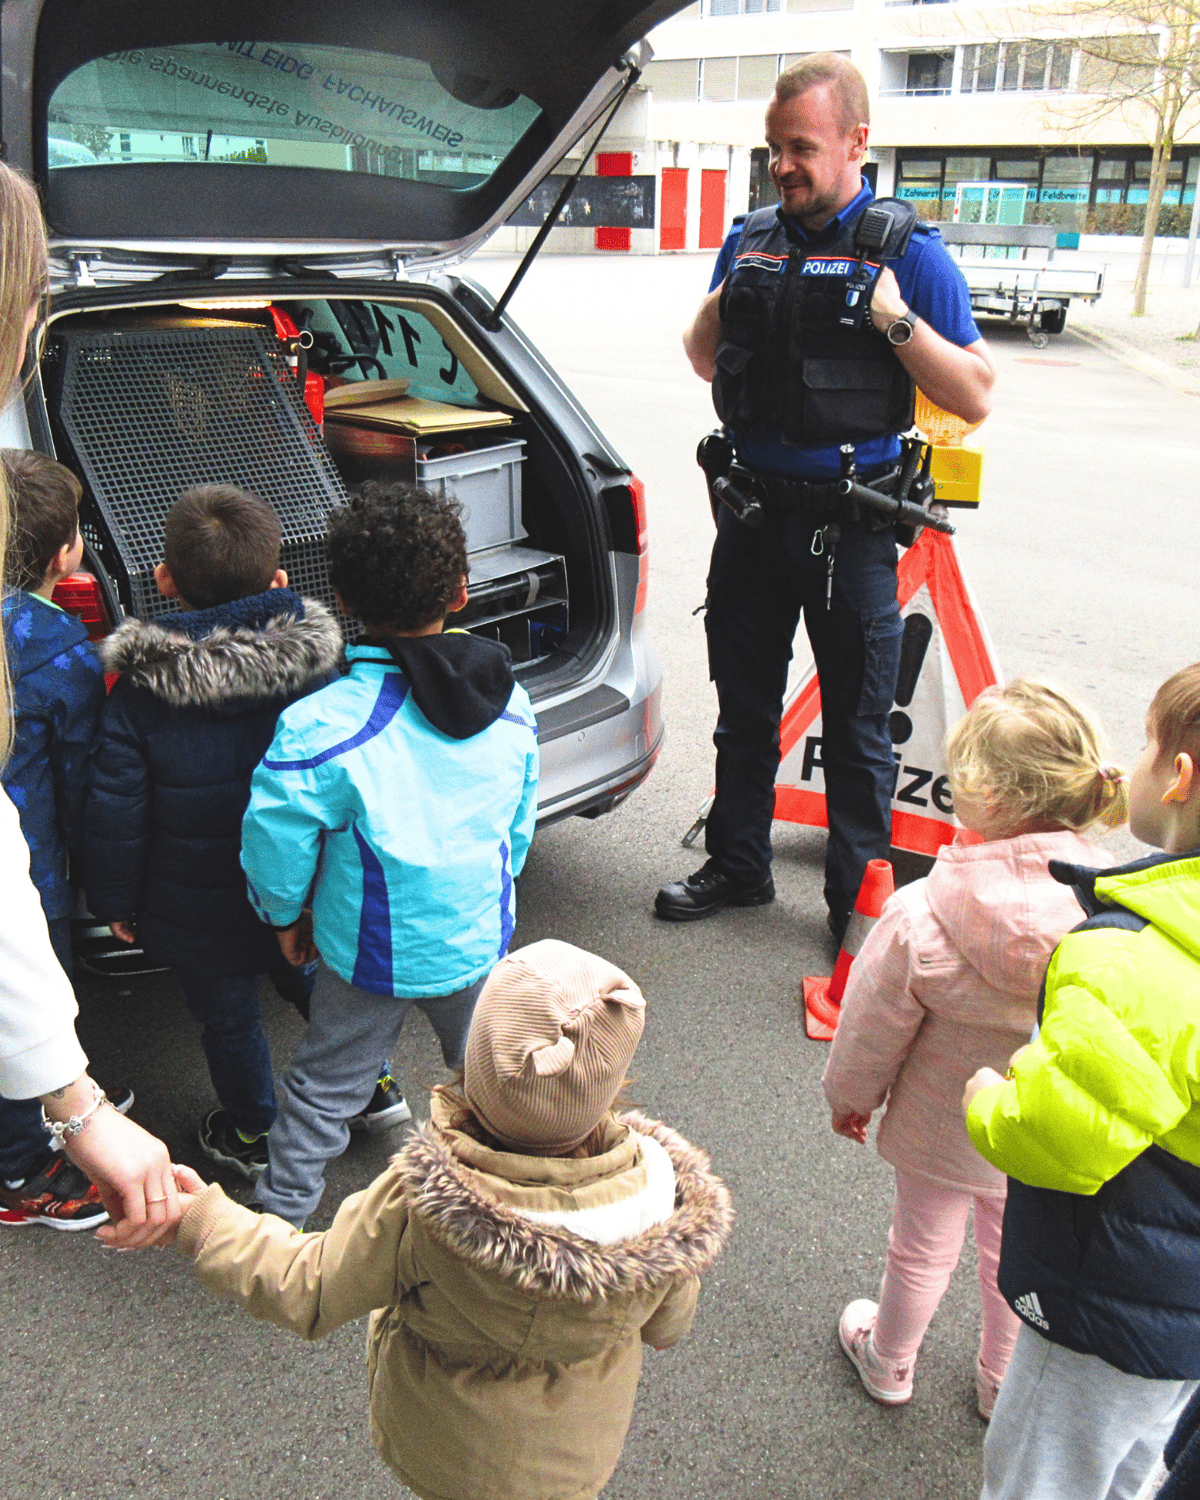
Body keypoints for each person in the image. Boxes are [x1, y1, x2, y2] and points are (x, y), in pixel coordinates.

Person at [159, 940, 733, 1500]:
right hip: (575, 1456)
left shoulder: (423, 1207)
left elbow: (306, 1283)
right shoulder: (661, 1206)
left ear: (477, 1068)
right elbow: (666, 1328)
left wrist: (206, 1222)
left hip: (446, 1450)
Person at [657, 53, 995, 939]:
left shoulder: (907, 252)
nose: (782, 166)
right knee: (743, 709)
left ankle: (857, 902)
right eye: (773, 150)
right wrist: (730, 291)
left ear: (855, 142)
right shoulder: (753, 235)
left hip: (849, 530)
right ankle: (738, 863)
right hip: (752, 516)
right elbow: (701, 358)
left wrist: (895, 320)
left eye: (800, 148)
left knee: (855, 730)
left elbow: (974, 393)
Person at [821, 680, 1125, 1418]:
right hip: (1037, 1127)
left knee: (918, 1246)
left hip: (937, 1127)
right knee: (1009, 1255)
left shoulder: (920, 914)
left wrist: (850, 1100)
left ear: (977, 792)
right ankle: (998, 1383)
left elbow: (870, 1026)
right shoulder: (1112, 914)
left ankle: (889, 1362)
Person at [241, 481, 540, 1227]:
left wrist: (282, 914)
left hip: (366, 954)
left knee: (323, 1088)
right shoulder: (512, 702)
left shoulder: (321, 727)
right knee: (489, 1079)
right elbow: (520, 825)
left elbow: (274, 840)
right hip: (474, 938)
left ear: (340, 598)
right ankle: (512, 1201)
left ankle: (277, 1224)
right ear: (462, 591)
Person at [964, 663, 1200, 1500]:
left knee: (1043, 1476)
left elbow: (1055, 1136)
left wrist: (987, 1099)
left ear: (1179, 776)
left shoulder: (1137, 958)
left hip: (1111, 1300)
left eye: (1147, 745)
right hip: (1184, 1320)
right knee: (1138, 1462)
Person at [0, 159, 176, 1245]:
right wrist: (78, 1104)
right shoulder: (68, 654)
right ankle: (27, 1166)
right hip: (47, 868)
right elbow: (86, 784)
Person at [81, 484, 344, 1179]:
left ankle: (254, 1131)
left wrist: (116, 903)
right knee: (312, 976)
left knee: (228, 1021)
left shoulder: (141, 691)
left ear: (163, 581)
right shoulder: (318, 666)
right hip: (302, 881)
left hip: (194, 902)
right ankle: (367, 1083)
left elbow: (117, 808)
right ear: (280, 580)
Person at [0, 448, 135, 1227]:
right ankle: (26, 1164)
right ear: (66, 552)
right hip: (30, 858)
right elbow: (85, 768)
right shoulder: (56, 646)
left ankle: (58, 1091)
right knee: (30, 977)